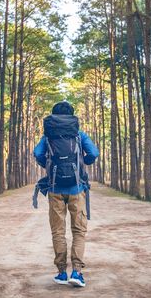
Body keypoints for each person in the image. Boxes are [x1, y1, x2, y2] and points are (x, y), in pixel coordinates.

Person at [33, 101, 99, 287]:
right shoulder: (78, 135)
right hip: (77, 188)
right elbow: (94, 153)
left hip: (54, 189)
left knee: (58, 231)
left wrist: (46, 165)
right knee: (79, 230)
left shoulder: (48, 136)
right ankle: (77, 273)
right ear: (71, 116)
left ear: (53, 116)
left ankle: (61, 273)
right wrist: (83, 161)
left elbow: (37, 153)